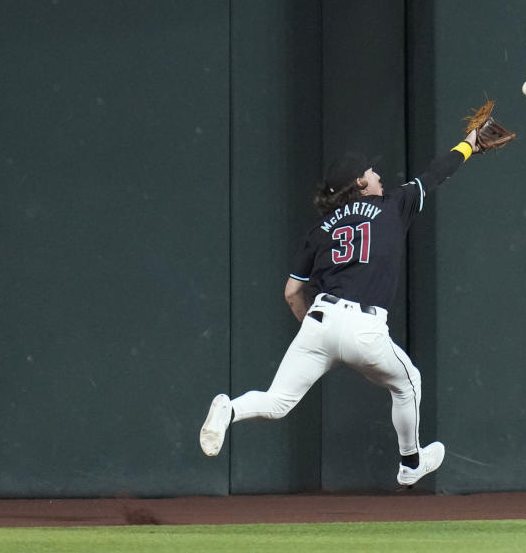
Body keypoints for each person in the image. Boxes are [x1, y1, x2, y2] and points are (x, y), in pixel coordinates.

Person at [199, 128, 480, 487]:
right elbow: (437, 173)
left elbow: (291, 291)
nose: (378, 175)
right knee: (408, 383)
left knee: (277, 402)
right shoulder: (393, 205)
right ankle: (410, 462)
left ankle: (230, 409)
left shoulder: (319, 229)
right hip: (365, 328)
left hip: (321, 319)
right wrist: (469, 144)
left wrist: (314, 333)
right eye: (371, 171)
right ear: (361, 183)